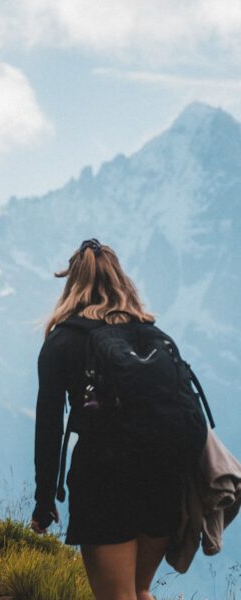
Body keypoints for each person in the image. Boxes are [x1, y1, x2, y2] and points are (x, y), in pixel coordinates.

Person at [32, 239, 205, 600]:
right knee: (140, 590)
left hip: (104, 481)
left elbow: (48, 426)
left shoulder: (63, 340)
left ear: (71, 283)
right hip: (165, 478)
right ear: (121, 281)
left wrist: (45, 499)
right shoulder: (154, 334)